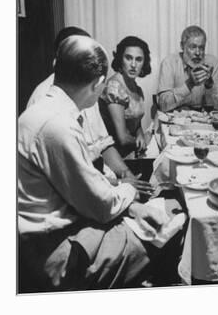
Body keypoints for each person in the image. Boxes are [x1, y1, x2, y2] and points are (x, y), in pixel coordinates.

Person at [18, 35, 170, 292]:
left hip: (55, 226)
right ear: (99, 83)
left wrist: (130, 206)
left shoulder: (51, 105)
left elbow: (85, 179)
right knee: (165, 232)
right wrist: (130, 191)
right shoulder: (58, 125)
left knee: (143, 214)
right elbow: (100, 205)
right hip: (54, 251)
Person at [27, 26, 153, 194]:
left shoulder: (86, 88)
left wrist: (127, 175)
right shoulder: (43, 99)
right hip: (70, 190)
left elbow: (103, 143)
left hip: (100, 175)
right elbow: (71, 179)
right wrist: (120, 184)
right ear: (60, 58)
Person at [99, 36, 151, 158]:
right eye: (128, 58)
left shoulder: (136, 88)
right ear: (120, 59)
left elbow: (135, 122)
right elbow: (122, 138)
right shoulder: (115, 87)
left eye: (138, 59)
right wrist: (144, 141)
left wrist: (140, 135)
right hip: (114, 155)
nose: (133, 65)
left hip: (131, 151)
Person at [157, 25, 218, 112]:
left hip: (203, 120)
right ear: (182, 46)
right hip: (176, 120)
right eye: (193, 47)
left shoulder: (212, 63)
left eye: (201, 48)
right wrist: (189, 84)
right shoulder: (169, 63)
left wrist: (210, 86)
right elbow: (163, 105)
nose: (198, 53)